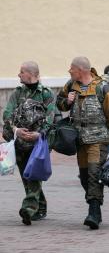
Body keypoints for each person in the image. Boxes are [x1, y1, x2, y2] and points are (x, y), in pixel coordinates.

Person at [57, 56, 109, 230]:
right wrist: (67, 101)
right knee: (84, 177)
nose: (69, 71)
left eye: (71, 68)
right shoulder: (70, 85)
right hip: (80, 139)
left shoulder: (102, 88)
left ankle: (94, 213)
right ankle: (95, 204)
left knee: (93, 174)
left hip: (98, 139)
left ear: (81, 70)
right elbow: (59, 104)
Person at [2, 61, 55, 225]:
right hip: (19, 143)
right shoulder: (17, 94)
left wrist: (39, 135)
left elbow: (50, 118)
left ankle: (29, 208)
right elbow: (7, 115)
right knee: (28, 177)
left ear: (31, 74)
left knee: (33, 175)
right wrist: (17, 131)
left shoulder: (46, 94)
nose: (19, 75)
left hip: (37, 143)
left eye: (21, 72)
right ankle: (41, 207)